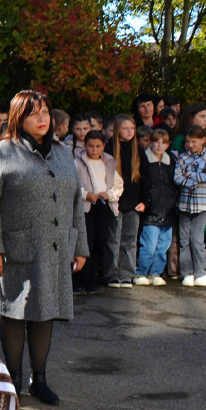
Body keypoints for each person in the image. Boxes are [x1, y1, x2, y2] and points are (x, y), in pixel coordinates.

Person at [0, 90, 88, 405]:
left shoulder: (63, 154)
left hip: (54, 250)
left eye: (45, 112)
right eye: (34, 113)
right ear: (18, 118)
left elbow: (76, 201)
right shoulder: (0, 153)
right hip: (15, 250)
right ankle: (12, 379)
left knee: (45, 312)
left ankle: (40, 379)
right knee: (14, 313)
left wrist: (79, 245)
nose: (43, 118)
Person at [74, 131, 121, 294]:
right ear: (85, 146)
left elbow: (118, 184)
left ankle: (92, 278)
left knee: (99, 242)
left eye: (98, 146)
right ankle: (80, 280)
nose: (94, 150)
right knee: (85, 242)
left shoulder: (108, 162)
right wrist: (87, 194)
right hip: (85, 207)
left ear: (103, 146)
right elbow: (72, 184)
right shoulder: (77, 162)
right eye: (90, 146)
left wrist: (110, 194)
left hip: (103, 205)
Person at [174, 126, 206, 287]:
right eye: (188, 141)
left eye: (194, 141)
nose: (190, 145)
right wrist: (195, 178)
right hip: (184, 203)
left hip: (202, 203)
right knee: (184, 239)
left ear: (203, 140)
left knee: (197, 240)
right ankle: (187, 272)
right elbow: (177, 178)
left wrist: (189, 176)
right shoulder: (183, 158)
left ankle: (200, 272)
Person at [108, 114, 147, 288]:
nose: (129, 131)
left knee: (130, 239)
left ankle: (127, 273)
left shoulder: (139, 150)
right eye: (125, 128)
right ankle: (111, 273)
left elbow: (147, 179)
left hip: (134, 202)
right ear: (117, 130)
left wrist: (145, 200)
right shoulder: (109, 149)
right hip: (114, 202)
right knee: (113, 238)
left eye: (132, 128)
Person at [134, 129, 176, 286]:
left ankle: (156, 272)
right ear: (150, 141)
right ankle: (141, 272)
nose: (159, 145)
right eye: (156, 141)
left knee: (163, 246)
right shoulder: (144, 160)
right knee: (149, 245)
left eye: (163, 143)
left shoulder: (170, 162)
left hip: (168, 210)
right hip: (151, 210)